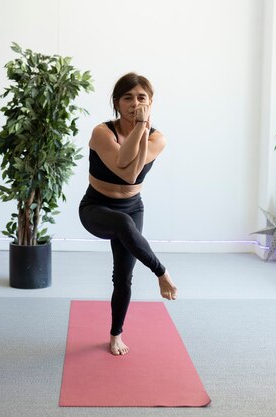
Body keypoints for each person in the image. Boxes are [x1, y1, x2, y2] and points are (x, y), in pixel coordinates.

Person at [78, 72, 178, 356]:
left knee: (123, 276)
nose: (135, 103)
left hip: (133, 207)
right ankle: (162, 271)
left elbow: (132, 174)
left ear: (151, 102)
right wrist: (139, 128)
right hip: (96, 207)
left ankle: (115, 334)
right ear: (117, 102)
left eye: (142, 97)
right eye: (128, 98)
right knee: (120, 222)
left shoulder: (158, 138)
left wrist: (143, 129)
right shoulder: (102, 132)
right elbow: (124, 161)